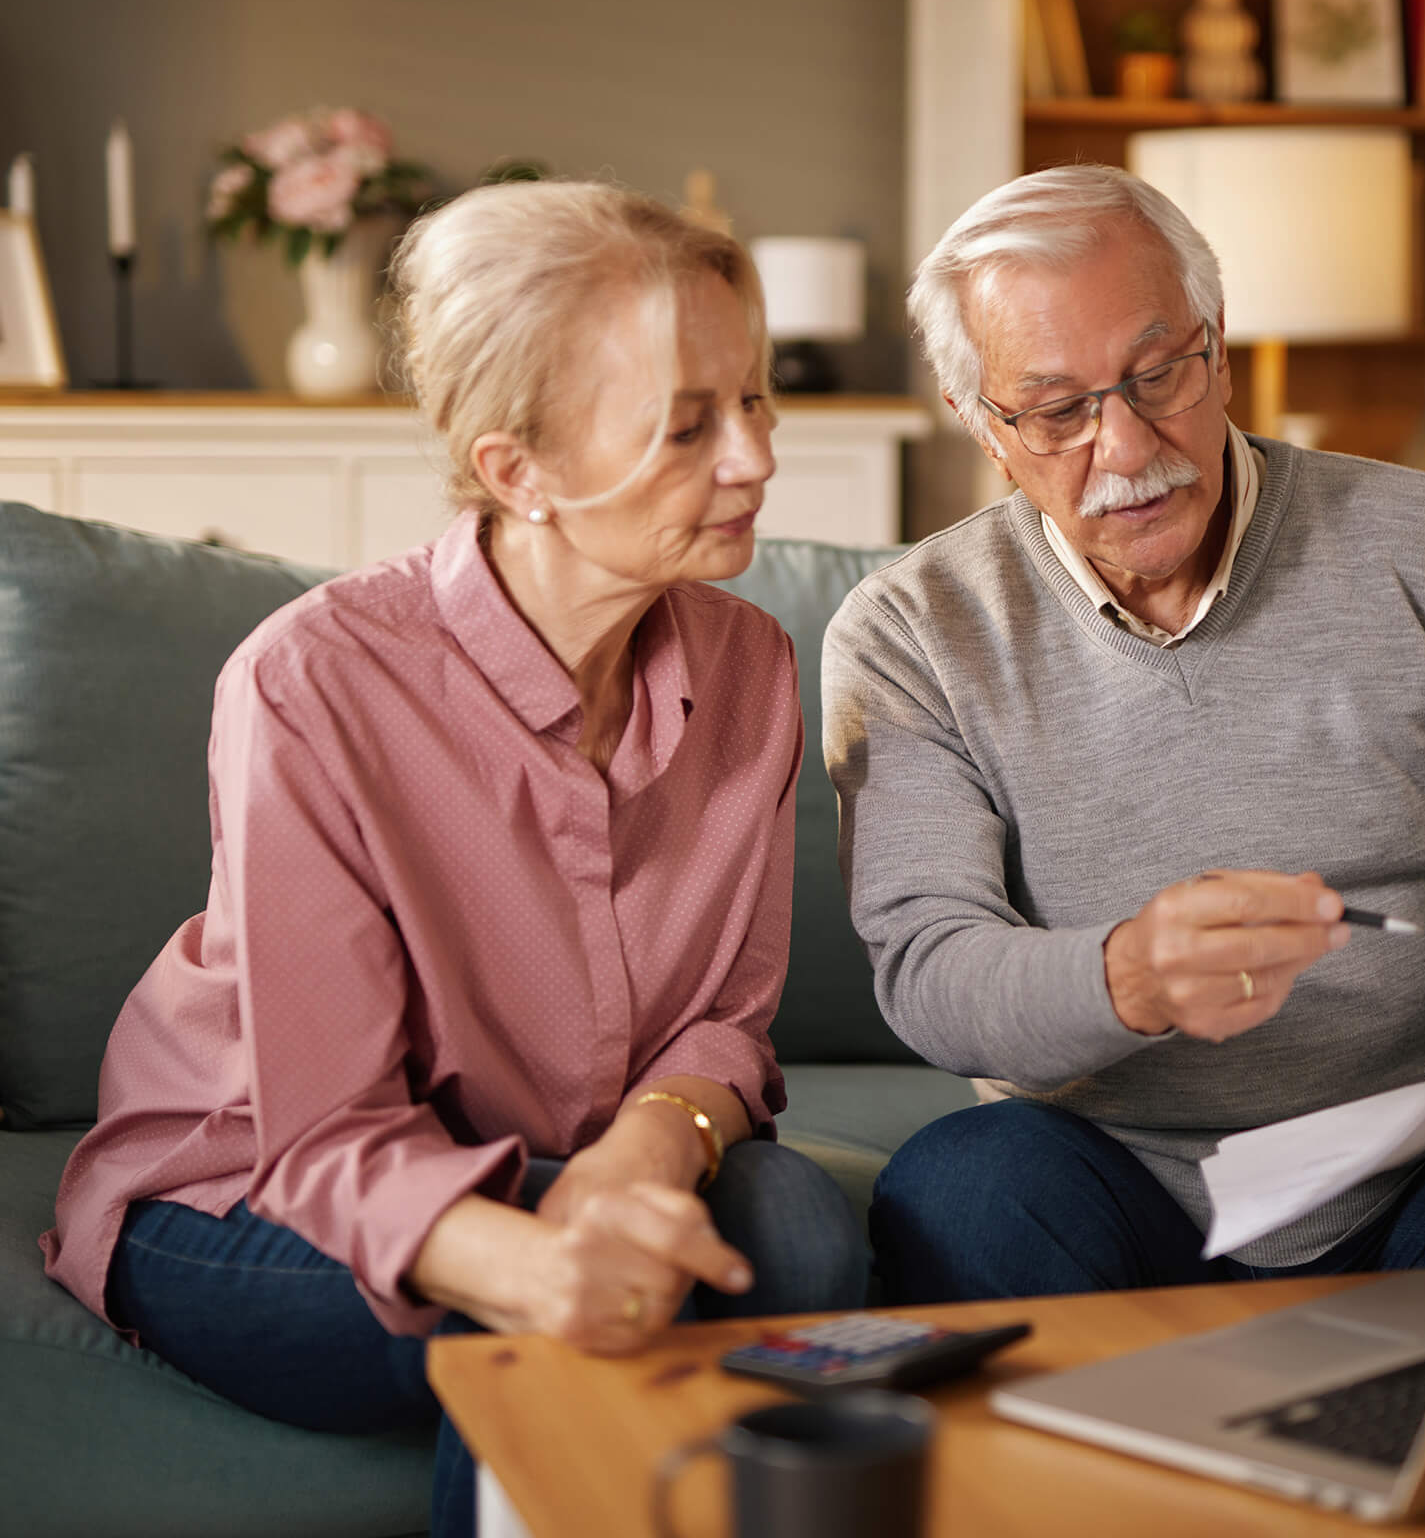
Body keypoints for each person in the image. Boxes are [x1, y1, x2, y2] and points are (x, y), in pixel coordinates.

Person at [43, 181, 867, 1536]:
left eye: (757, 400)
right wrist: (544, 1265)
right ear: (515, 471)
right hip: (253, 1187)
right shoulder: (313, 682)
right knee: (569, 1319)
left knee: (806, 1233)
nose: (756, 459)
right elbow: (325, 1137)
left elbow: (724, 1022)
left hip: (562, 1151)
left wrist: (649, 1151)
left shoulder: (754, 668)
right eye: (686, 426)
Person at [823, 164, 1425, 1305]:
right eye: (1059, 410)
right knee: (963, 1186)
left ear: (1214, 349)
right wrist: (1128, 977)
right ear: (984, 426)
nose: (1124, 445)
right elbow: (929, 968)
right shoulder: (912, 630)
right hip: (1112, 1172)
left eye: (1158, 372)